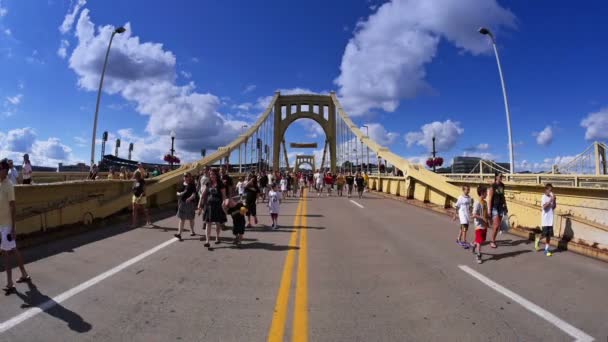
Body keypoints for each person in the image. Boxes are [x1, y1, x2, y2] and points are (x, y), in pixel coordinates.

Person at [0, 159, 30, 294]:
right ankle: (24, 274)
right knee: (13, 249)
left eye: (0, 168)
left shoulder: (9, 185)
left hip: (6, 225)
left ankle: (10, 283)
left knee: (6, 253)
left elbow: (13, 207)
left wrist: (13, 228)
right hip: (1, 225)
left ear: (5, 171)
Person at [198, 169, 225, 248]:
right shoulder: (208, 183)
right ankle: (207, 241)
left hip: (217, 206)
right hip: (208, 206)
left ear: (216, 175)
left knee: (217, 223)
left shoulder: (220, 184)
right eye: (210, 174)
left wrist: (224, 202)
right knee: (208, 223)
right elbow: (203, 194)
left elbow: (223, 195)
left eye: (213, 174)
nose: (212, 176)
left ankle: (217, 237)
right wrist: (199, 204)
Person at [487, 173, 508, 248]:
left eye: (502, 176)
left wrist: (505, 206)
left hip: (500, 207)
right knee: (496, 226)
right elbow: (490, 198)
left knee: (498, 225)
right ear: (496, 177)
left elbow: (503, 196)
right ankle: (492, 241)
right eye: (500, 176)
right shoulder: (493, 186)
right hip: (494, 207)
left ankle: (493, 239)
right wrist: (489, 210)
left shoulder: (502, 185)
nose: (501, 177)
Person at [175, 173, 198, 241]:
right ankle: (179, 234)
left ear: (189, 177)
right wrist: (179, 193)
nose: (185, 177)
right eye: (184, 176)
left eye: (186, 176)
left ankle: (192, 230)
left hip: (190, 203)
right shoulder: (182, 184)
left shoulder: (192, 185)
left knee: (191, 218)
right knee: (182, 219)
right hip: (182, 203)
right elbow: (177, 192)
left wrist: (190, 198)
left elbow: (194, 194)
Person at [536, 183, 557, 257]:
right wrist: (550, 200)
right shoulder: (543, 197)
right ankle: (538, 239)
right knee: (544, 235)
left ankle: (546, 250)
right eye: (549, 190)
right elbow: (544, 207)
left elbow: (554, 207)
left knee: (549, 236)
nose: (551, 192)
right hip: (545, 220)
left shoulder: (551, 197)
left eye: (551, 190)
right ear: (546, 190)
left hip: (550, 219)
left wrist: (554, 200)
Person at [471, 185, 489, 264]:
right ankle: (478, 255)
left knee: (481, 240)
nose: (487, 194)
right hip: (478, 225)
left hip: (484, 225)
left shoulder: (485, 202)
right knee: (480, 242)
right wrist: (482, 218)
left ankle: (473, 245)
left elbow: (486, 213)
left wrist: (489, 219)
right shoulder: (477, 203)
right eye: (486, 193)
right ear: (482, 193)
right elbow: (473, 215)